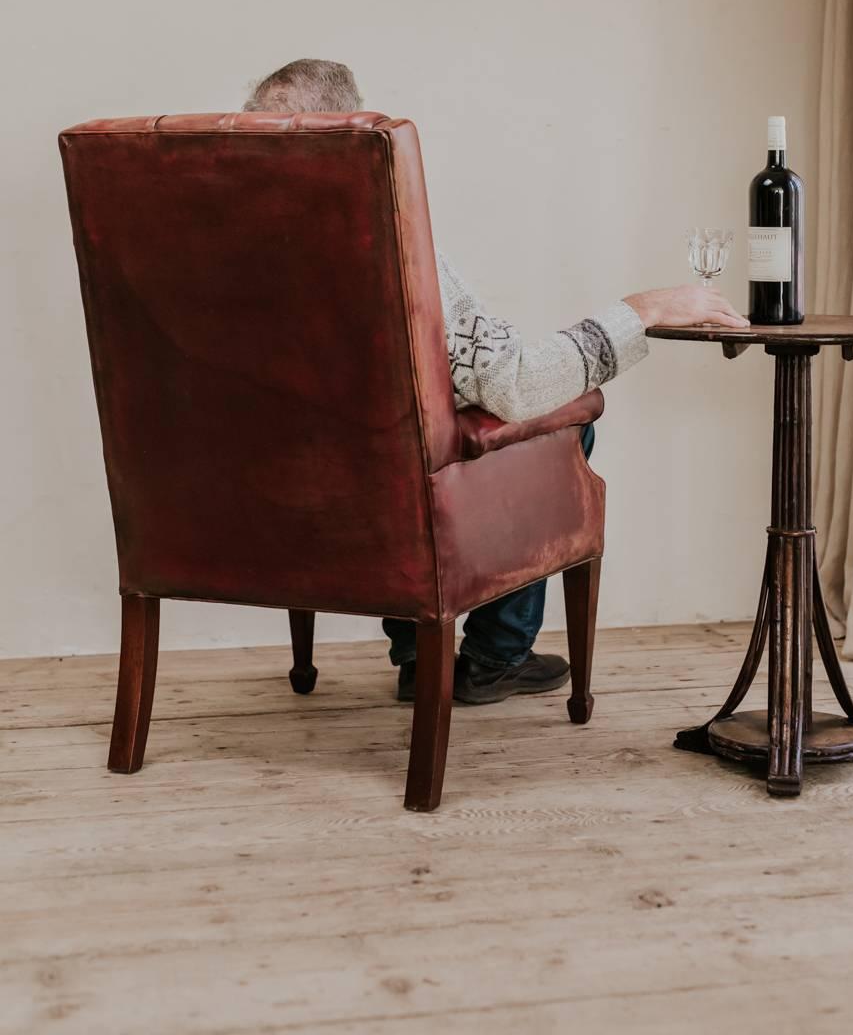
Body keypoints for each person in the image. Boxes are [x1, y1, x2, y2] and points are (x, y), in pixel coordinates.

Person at [243, 59, 749, 705]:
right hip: (413, 501)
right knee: (567, 417)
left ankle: (416, 652)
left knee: (388, 435)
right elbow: (511, 386)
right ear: (356, 136)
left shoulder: (239, 254)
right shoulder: (392, 239)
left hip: (298, 496)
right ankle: (494, 654)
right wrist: (643, 310)